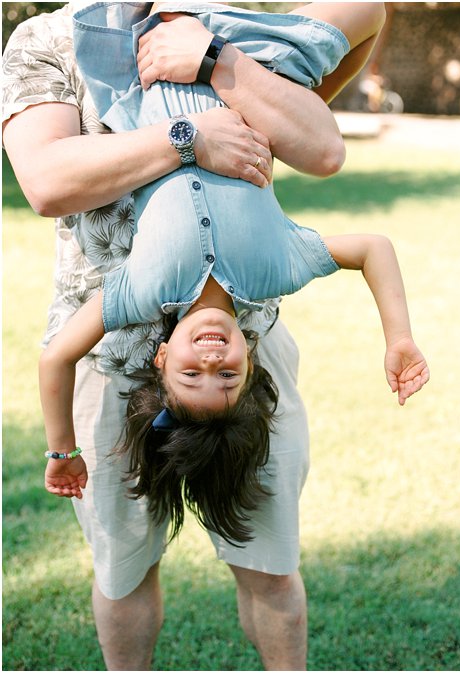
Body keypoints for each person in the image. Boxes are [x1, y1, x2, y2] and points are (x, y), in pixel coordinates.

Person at [2, 2, 386, 668]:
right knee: (123, 569)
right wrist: (191, 136)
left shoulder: (219, 27)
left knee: (270, 564)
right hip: (110, 359)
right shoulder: (43, 40)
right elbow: (47, 180)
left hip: (250, 358)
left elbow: (326, 125)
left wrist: (228, 69)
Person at [39, 3, 428, 549]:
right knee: (368, 8)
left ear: (161, 359)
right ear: (249, 356)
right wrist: (399, 337)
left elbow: (57, 356)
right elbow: (372, 248)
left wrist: (63, 450)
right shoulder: (280, 268)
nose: (210, 363)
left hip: (141, 70)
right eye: (227, 379)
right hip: (246, 62)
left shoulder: (139, 293)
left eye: (191, 377)